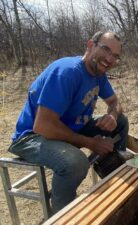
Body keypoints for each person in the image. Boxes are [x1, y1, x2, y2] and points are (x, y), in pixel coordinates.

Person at [8, 31, 129, 213]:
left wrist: (112, 115)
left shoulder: (99, 74)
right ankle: (62, 215)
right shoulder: (66, 73)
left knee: (121, 121)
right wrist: (91, 143)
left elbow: (115, 102)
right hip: (32, 137)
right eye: (105, 49)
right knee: (76, 162)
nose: (110, 59)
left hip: (70, 128)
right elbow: (43, 126)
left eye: (115, 56)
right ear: (90, 45)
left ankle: (111, 178)